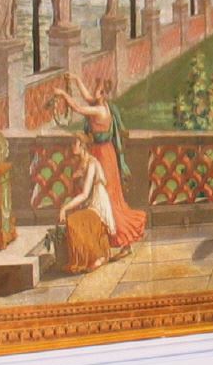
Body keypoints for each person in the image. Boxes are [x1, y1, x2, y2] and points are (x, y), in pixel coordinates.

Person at [55, 73, 147, 247]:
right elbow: (87, 97)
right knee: (101, 194)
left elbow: (78, 108)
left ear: (103, 93)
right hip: (103, 152)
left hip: (103, 155)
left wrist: (63, 94)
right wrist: (76, 79)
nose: (93, 92)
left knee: (107, 196)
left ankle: (118, 236)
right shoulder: (101, 105)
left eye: (97, 89)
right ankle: (103, 236)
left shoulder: (100, 110)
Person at [56, 132, 116, 273]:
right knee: (70, 220)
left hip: (97, 205)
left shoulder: (92, 163)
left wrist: (64, 208)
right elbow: (72, 192)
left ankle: (99, 256)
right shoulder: (77, 164)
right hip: (86, 204)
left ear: (82, 146)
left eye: (75, 143)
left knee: (75, 221)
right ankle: (85, 257)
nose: (72, 146)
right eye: (71, 143)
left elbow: (84, 194)